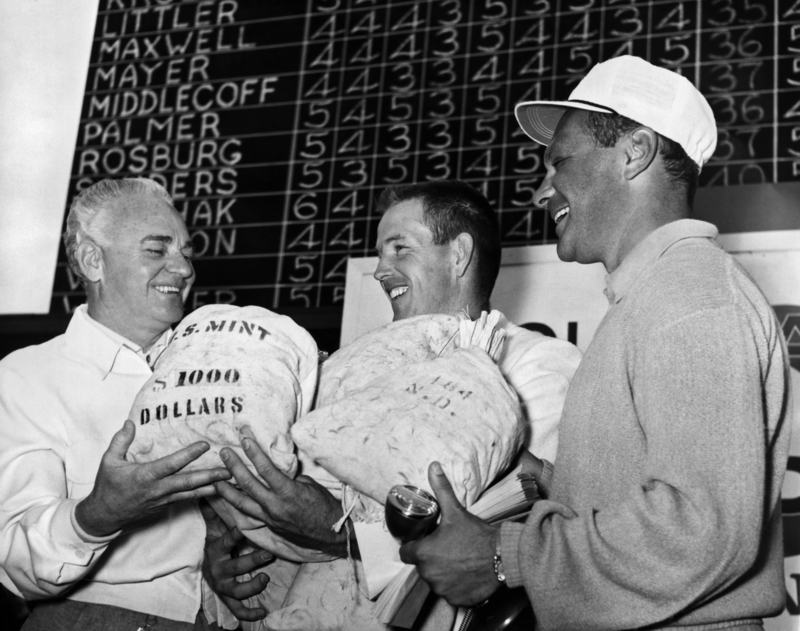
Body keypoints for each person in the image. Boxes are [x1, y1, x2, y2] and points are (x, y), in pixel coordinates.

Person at [398, 55, 792, 630]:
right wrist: (546, 481)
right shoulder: (659, 296)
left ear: (635, 152)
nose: (540, 191)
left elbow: (702, 530)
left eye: (560, 162)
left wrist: (505, 554)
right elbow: (676, 502)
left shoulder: (690, 300)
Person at [205, 180, 583, 623]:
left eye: (400, 249)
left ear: (459, 254)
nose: (381, 270)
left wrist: (339, 531)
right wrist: (225, 547)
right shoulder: (350, 370)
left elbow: (505, 529)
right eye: (381, 254)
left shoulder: (536, 364)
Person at [0, 177, 234, 630]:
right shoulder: (24, 377)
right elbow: (16, 562)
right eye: (157, 249)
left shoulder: (221, 366)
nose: (183, 269)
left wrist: (219, 560)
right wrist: (98, 515)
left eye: (186, 252)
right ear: (93, 261)